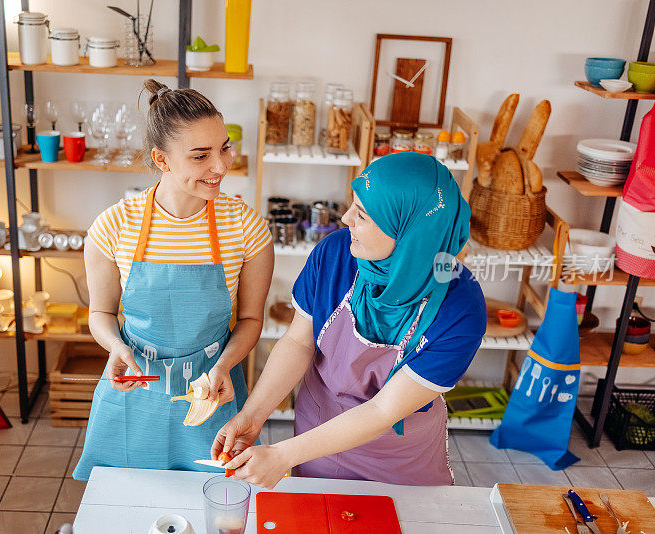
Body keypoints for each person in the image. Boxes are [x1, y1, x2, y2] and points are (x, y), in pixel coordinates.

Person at [213, 152, 487, 488]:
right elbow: (299, 342)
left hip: (398, 457)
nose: (345, 218)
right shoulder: (336, 253)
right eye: (352, 204)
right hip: (315, 438)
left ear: (410, 233)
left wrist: (282, 455)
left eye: (363, 214)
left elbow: (384, 411)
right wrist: (252, 417)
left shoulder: (461, 308)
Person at [73, 80, 274, 480]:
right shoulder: (114, 226)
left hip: (214, 391)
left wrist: (225, 365)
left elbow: (251, 321)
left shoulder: (246, 228)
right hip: (136, 393)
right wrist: (115, 347)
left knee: (212, 503)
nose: (220, 166)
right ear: (161, 160)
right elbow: (100, 312)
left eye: (225, 147)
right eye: (200, 156)